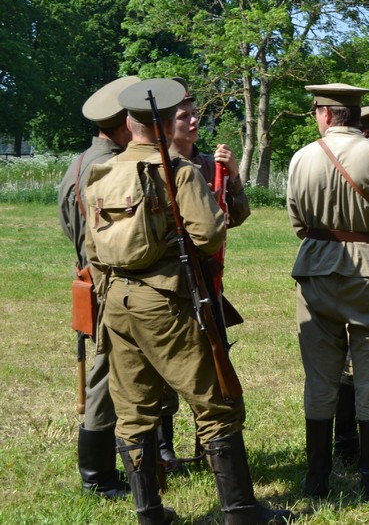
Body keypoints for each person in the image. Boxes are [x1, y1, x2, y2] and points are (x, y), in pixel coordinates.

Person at [86, 78, 291, 524]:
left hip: (117, 301)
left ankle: (150, 513)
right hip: (166, 300)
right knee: (217, 402)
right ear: (161, 125)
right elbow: (209, 232)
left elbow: (92, 247)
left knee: (134, 410)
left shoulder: (103, 171)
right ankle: (241, 511)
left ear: (131, 122)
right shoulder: (176, 170)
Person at [287, 83, 369, 500]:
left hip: (316, 273)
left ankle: (318, 478)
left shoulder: (301, 157)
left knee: (320, 379)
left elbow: (297, 221)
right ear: (353, 114)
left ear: (325, 114)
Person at [157, 80, 251, 469]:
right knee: (166, 369)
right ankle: (162, 448)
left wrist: (233, 174)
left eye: (195, 115)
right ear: (166, 123)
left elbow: (238, 216)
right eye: (184, 116)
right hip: (172, 283)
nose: (194, 122)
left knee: (214, 363)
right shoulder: (157, 164)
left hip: (210, 281)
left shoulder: (211, 164)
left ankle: (208, 447)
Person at [58, 74, 139, 500]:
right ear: (127, 121)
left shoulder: (78, 163)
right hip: (111, 280)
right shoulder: (110, 168)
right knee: (106, 373)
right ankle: (98, 475)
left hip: (92, 276)